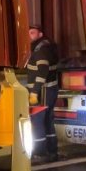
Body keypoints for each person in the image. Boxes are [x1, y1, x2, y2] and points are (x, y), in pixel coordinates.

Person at [27, 24, 61, 162]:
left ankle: (40, 153)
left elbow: (42, 71)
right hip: (49, 90)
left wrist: (34, 92)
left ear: (40, 34)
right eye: (28, 33)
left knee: (37, 121)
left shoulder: (40, 50)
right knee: (47, 120)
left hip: (43, 91)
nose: (30, 36)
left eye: (33, 33)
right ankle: (52, 151)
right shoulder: (46, 47)